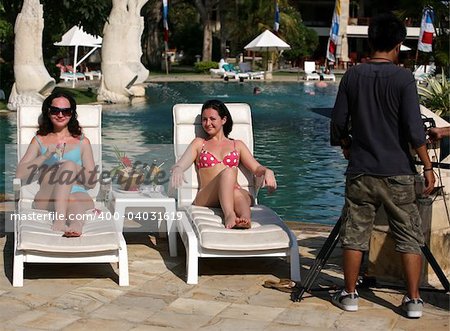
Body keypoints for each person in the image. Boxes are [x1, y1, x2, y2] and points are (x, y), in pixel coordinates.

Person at [330, 13, 435, 318]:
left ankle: (349, 295)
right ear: (399, 44)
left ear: (370, 41)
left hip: (361, 170)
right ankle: (413, 300)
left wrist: (347, 145)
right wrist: (427, 166)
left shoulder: (352, 76)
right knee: (409, 235)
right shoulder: (403, 78)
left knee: (355, 233)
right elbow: (415, 130)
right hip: (399, 171)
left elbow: (338, 124)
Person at [170, 99, 276, 229]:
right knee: (230, 171)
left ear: (223, 120)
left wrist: (267, 171)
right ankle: (229, 215)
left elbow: (256, 168)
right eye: (204, 119)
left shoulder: (237, 145)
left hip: (234, 193)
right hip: (207, 196)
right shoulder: (199, 143)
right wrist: (178, 169)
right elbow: (181, 163)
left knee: (237, 193)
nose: (207, 123)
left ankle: (245, 219)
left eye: (212, 119)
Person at [16, 92, 97, 237]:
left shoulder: (82, 142)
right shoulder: (39, 140)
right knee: (69, 168)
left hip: (77, 192)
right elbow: (20, 174)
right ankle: (60, 220)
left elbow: (91, 183)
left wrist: (74, 167)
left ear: (72, 113)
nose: (60, 115)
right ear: (48, 112)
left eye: (66, 111)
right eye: (55, 110)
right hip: (48, 196)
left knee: (72, 195)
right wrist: (46, 155)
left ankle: (75, 225)